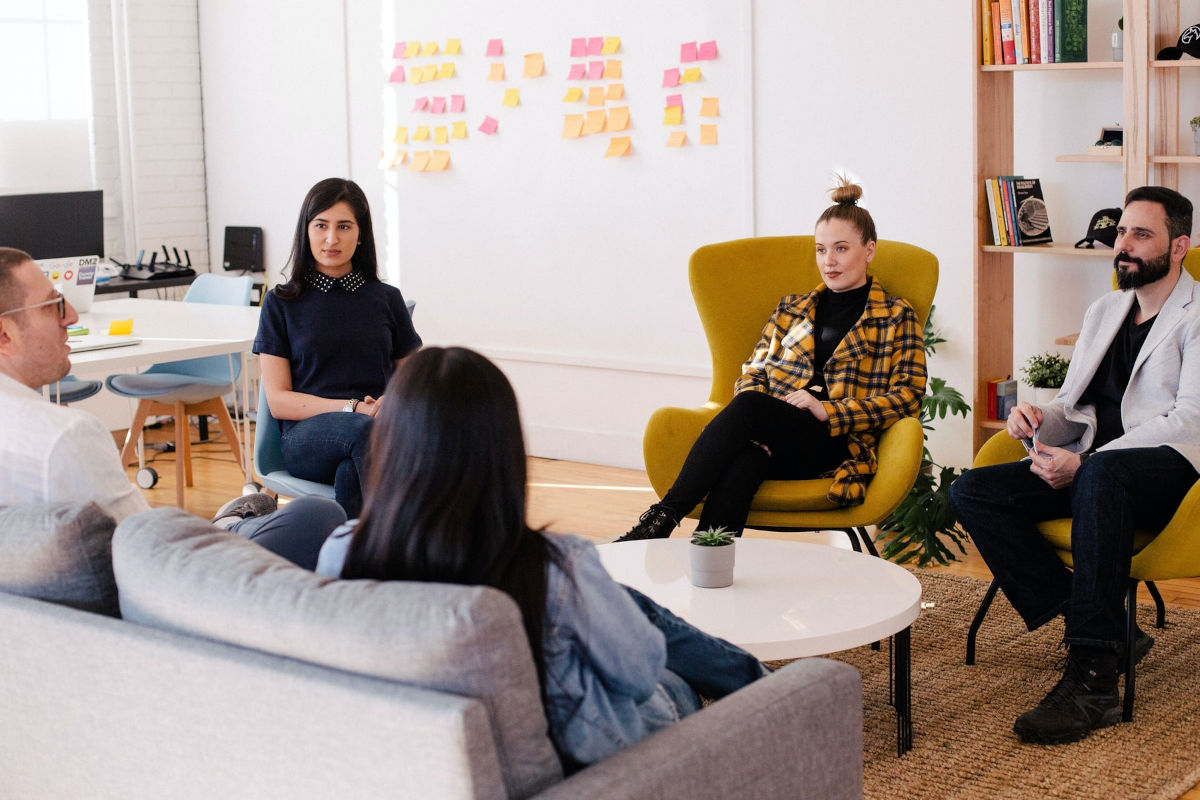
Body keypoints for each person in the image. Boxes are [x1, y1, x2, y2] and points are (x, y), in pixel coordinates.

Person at [315, 347, 768, 768]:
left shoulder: (342, 550)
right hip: (595, 752)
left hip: (430, 754)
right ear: (503, 451)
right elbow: (639, 671)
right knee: (659, 658)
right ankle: (775, 692)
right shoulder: (550, 566)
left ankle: (752, 675)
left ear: (390, 446)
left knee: (621, 600)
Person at [949, 185, 1200, 745]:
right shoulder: (1105, 309)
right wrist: (1038, 418)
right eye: (1121, 232)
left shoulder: (1197, 315)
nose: (1123, 245)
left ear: (1179, 245)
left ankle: (1094, 681)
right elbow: (1079, 404)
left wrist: (1085, 463)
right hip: (1096, 470)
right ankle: (1105, 626)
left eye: (1141, 234)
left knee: (1104, 478)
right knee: (973, 491)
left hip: (1171, 474)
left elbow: (1190, 420)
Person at [617, 178, 927, 541]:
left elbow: (909, 395)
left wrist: (829, 410)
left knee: (749, 407)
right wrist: (774, 411)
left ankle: (662, 518)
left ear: (869, 250)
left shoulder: (895, 315)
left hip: (836, 443)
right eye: (821, 249)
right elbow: (753, 371)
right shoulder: (791, 309)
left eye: (841, 249)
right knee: (745, 461)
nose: (829, 261)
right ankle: (708, 562)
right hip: (774, 434)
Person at [0, 247, 346, 568]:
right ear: (4, 335)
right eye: (53, 305)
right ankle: (226, 528)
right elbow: (147, 549)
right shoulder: (65, 438)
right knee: (316, 514)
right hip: (176, 580)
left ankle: (225, 526)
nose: (72, 316)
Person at [253, 177, 421, 518]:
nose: (332, 238)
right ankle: (416, 542)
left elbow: (417, 379)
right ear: (306, 231)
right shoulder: (281, 303)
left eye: (344, 226)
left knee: (351, 472)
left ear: (360, 234)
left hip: (372, 434)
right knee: (365, 432)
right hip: (306, 439)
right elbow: (279, 401)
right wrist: (353, 408)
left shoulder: (386, 299)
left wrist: (394, 400)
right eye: (321, 225)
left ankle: (352, 562)